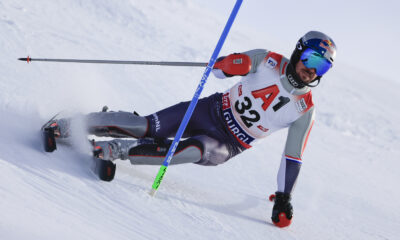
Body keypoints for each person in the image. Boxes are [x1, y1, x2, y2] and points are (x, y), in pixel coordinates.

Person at [47, 31, 337, 227]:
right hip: (208, 110)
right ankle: (68, 124)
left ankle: (114, 150)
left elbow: (293, 157)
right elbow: (219, 70)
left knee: (189, 150)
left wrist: (284, 196)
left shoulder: (304, 110)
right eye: (311, 60)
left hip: (228, 143)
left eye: (322, 68)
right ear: (299, 53)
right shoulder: (268, 60)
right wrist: (232, 64)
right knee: (145, 126)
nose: (312, 71)